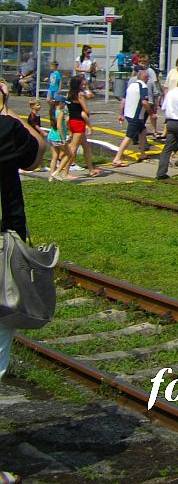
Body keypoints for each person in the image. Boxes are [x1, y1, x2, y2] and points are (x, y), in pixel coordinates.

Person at [0, 76, 49, 391]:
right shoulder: (7, 129)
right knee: (2, 322)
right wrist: (8, 111)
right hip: (3, 243)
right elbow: (38, 153)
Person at [110, 65, 152, 167]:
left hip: (129, 114)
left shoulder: (131, 85)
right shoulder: (143, 86)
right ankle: (117, 158)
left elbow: (123, 100)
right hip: (136, 116)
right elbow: (144, 102)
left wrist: (121, 114)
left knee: (143, 131)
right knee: (129, 137)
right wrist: (152, 113)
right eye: (147, 78)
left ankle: (142, 154)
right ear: (145, 78)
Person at [64, 74, 98, 177]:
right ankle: (65, 172)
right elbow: (86, 110)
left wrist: (86, 88)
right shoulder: (80, 95)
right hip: (79, 122)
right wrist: (88, 121)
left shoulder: (69, 94)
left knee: (86, 147)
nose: (84, 85)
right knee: (73, 148)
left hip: (72, 121)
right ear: (78, 84)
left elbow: (91, 95)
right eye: (83, 83)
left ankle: (91, 170)